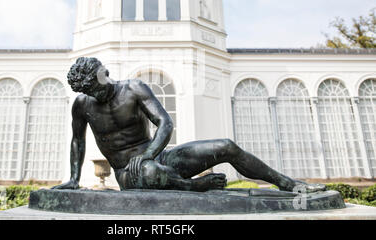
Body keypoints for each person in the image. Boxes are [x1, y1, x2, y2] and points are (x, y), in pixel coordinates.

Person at [52, 57, 325, 193]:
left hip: (159, 158)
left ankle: (289, 184)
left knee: (226, 146)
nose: (93, 95)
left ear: (103, 75)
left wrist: (148, 154)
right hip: (129, 173)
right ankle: (195, 187)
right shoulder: (83, 103)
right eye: (87, 91)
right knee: (147, 172)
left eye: (95, 88)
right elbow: (78, 141)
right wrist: (74, 180)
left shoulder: (134, 89)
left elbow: (165, 123)